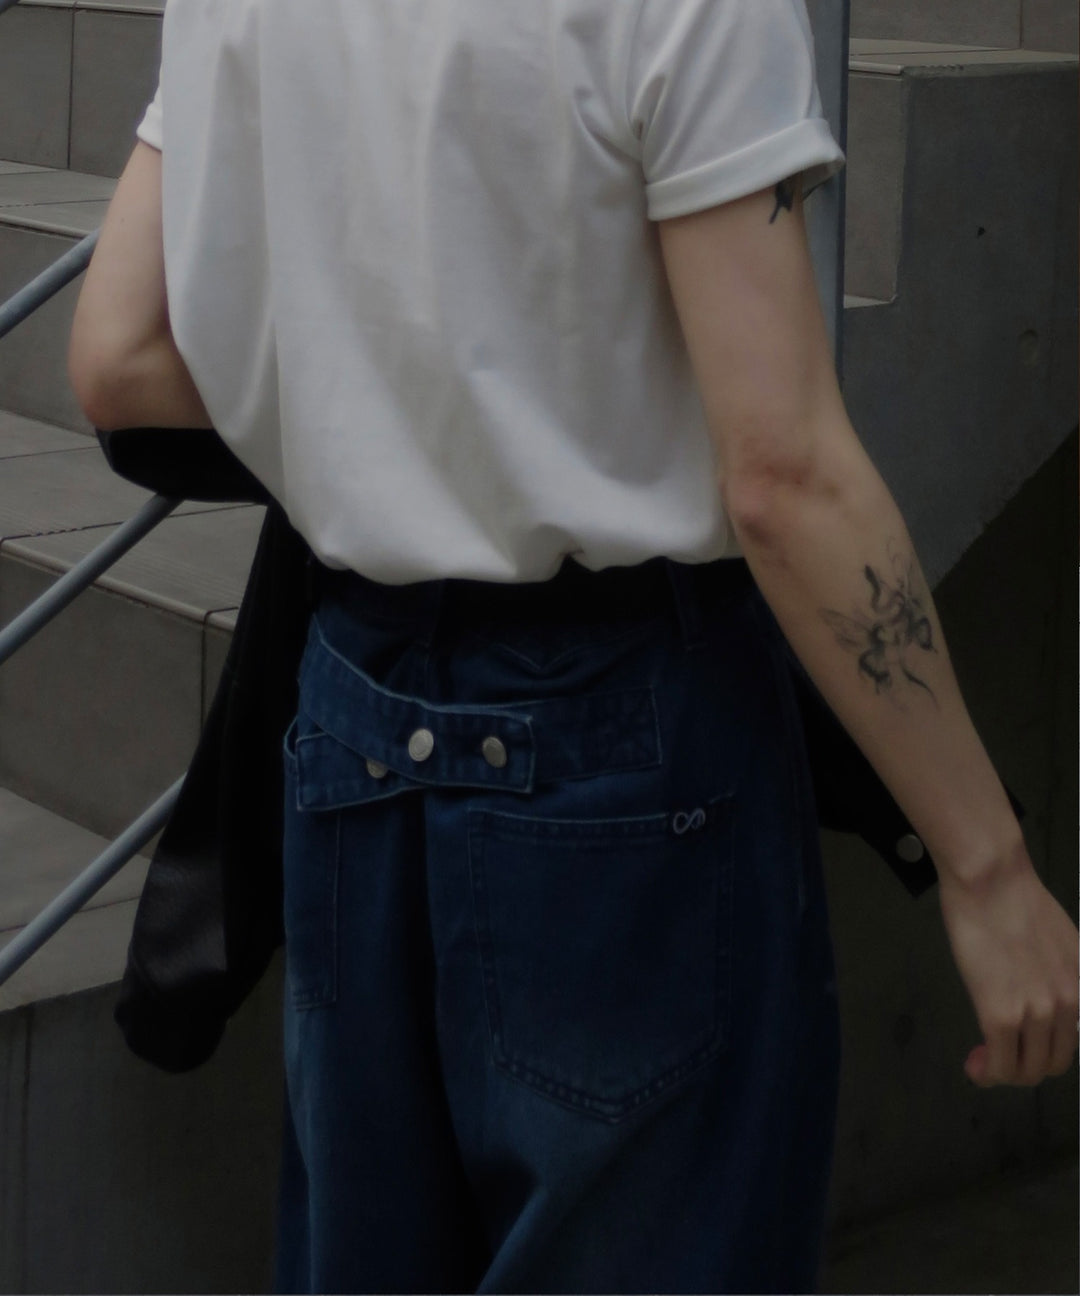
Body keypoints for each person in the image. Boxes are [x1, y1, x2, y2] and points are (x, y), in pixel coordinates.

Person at [67, 0, 1078, 1291]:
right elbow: (783, 476)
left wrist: (383, 404)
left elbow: (118, 356)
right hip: (621, 745)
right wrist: (989, 869)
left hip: (352, 717)